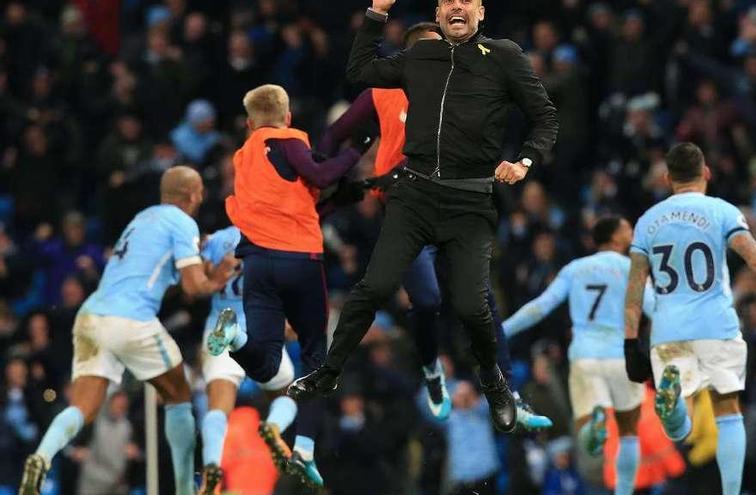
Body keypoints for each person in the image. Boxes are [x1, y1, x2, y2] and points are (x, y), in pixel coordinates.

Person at [291, 0, 559, 434]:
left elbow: (537, 115)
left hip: (461, 201)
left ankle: (504, 390)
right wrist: (348, 169)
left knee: (479, 303)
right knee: (425, 300)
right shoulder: (385, 89)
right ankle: (432, 370)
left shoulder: (482, 69)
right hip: (408, 203)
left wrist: (523, 159)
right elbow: (338, 134)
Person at [18, 166, 235, 495]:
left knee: (83, 407)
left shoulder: (143, 219)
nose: (203, 196)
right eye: (201, 190)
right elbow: (194, 287)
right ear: (192, 195)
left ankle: (41, 457)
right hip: (131, 318)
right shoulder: (183, 222)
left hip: (92, 315)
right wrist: (217, 278)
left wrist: (198, 256)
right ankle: (183, 489)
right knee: (178, 395)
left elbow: (157, 273)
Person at [622, 142, 756, 495]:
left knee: (678, 429)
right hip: (716, 325)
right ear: (707, 173)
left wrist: (629, 343)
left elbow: (635, 287)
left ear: (667, 178)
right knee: (728, 411)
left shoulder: (647, 223)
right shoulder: (722, 212)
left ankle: (672, 411)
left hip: (669, 331)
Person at [213, 83, 370, 488]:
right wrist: (357, 151)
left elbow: (301, 197)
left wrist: (340, 198)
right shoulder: (286, 138)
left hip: (258, 265)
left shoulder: (244, 156)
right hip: (299, 260)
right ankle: (304, 447)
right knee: (317, 359)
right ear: (286, 117)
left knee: (266, 364)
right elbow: (317, 171)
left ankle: (232, 337)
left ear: (249, 124)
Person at [503, 216, 655, 495]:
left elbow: (540, 306)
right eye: (626, 229)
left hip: (584, 359)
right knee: (628, 433)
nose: (631, 233)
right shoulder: (631, 268)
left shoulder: (575, 269)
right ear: (613, 238)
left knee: (585, 431)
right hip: (618, 358)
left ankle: (593, 430)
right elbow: (655, 310)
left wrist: (503, 330)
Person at [196, 225, 298, 494]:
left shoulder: (216, 240)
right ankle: (274, 426)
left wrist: (214, 273)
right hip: (261, 327)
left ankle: (210, 470)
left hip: (219, 324)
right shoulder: (277, 237)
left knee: (218, 407)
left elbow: (195, 286)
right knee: (286, 395)